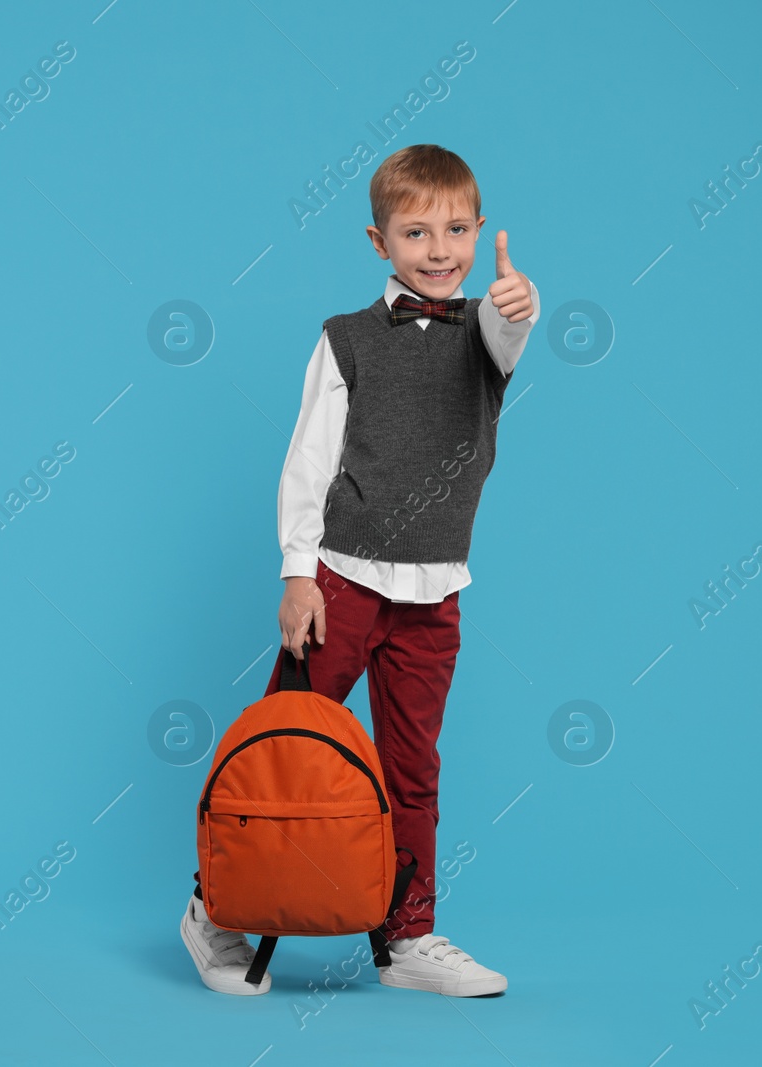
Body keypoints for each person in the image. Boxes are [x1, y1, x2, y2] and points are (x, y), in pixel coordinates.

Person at [180, 143, 539, 997]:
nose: (440, 248)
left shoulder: (486, 336)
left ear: (479, 230)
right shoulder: (346, 340)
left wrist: (520, 303)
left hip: (435, 590)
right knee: (284, 742)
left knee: (413, 767)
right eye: (417, 232)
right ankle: (216, 910)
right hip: (340, 581)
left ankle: (408, 935)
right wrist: (297, 574)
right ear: (379, 242)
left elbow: (510, 325)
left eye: (456, 229)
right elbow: (309, 460)